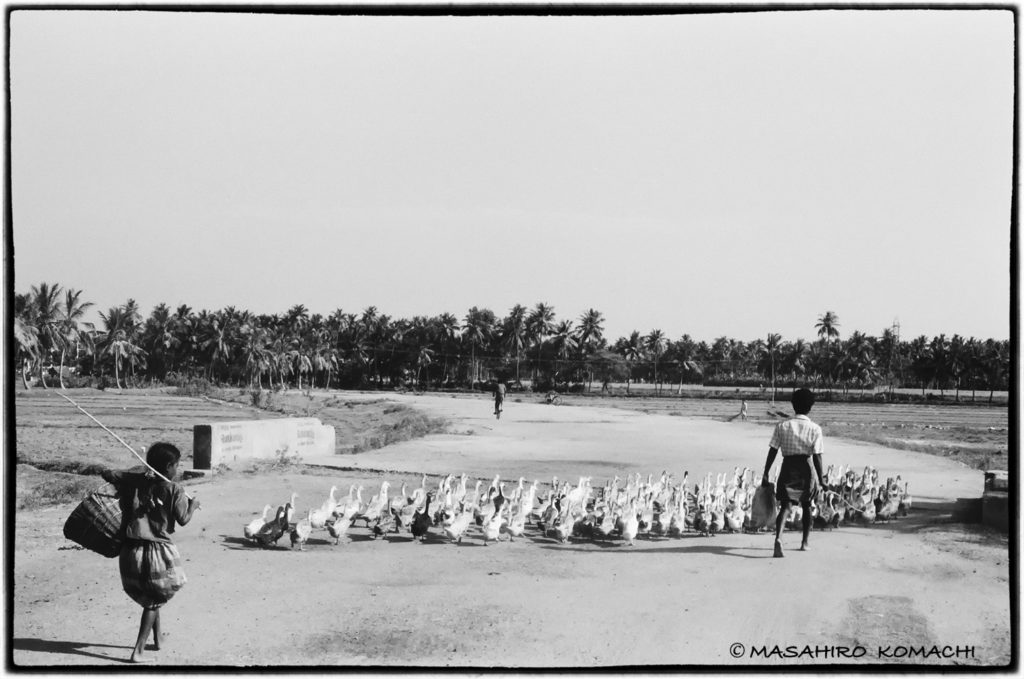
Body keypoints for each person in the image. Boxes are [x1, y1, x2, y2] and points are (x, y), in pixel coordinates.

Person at [101, 442, 200, 663]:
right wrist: (193, 505)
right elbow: (183, 520)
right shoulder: (174, 489)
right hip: (156, 552)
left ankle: (158, 639)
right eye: (176, 465)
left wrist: (134, 474)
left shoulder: (135, 481)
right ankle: (138, 651)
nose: (178, 469)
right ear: (167, 466)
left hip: (130, 550)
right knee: (155, 598)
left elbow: (106, 473)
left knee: (152, 595)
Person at [760, 389, 823, 558]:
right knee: (807, 506)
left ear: (793, 405)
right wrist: (822, 479)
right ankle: (804, 542)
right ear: (810, 407)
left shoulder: (782, 426)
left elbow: (772, 450)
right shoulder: (815, 429)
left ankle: (778, 539)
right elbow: (817, 456)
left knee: (786, 506)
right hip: (805, 469)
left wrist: (766, 472)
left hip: (787, 467)